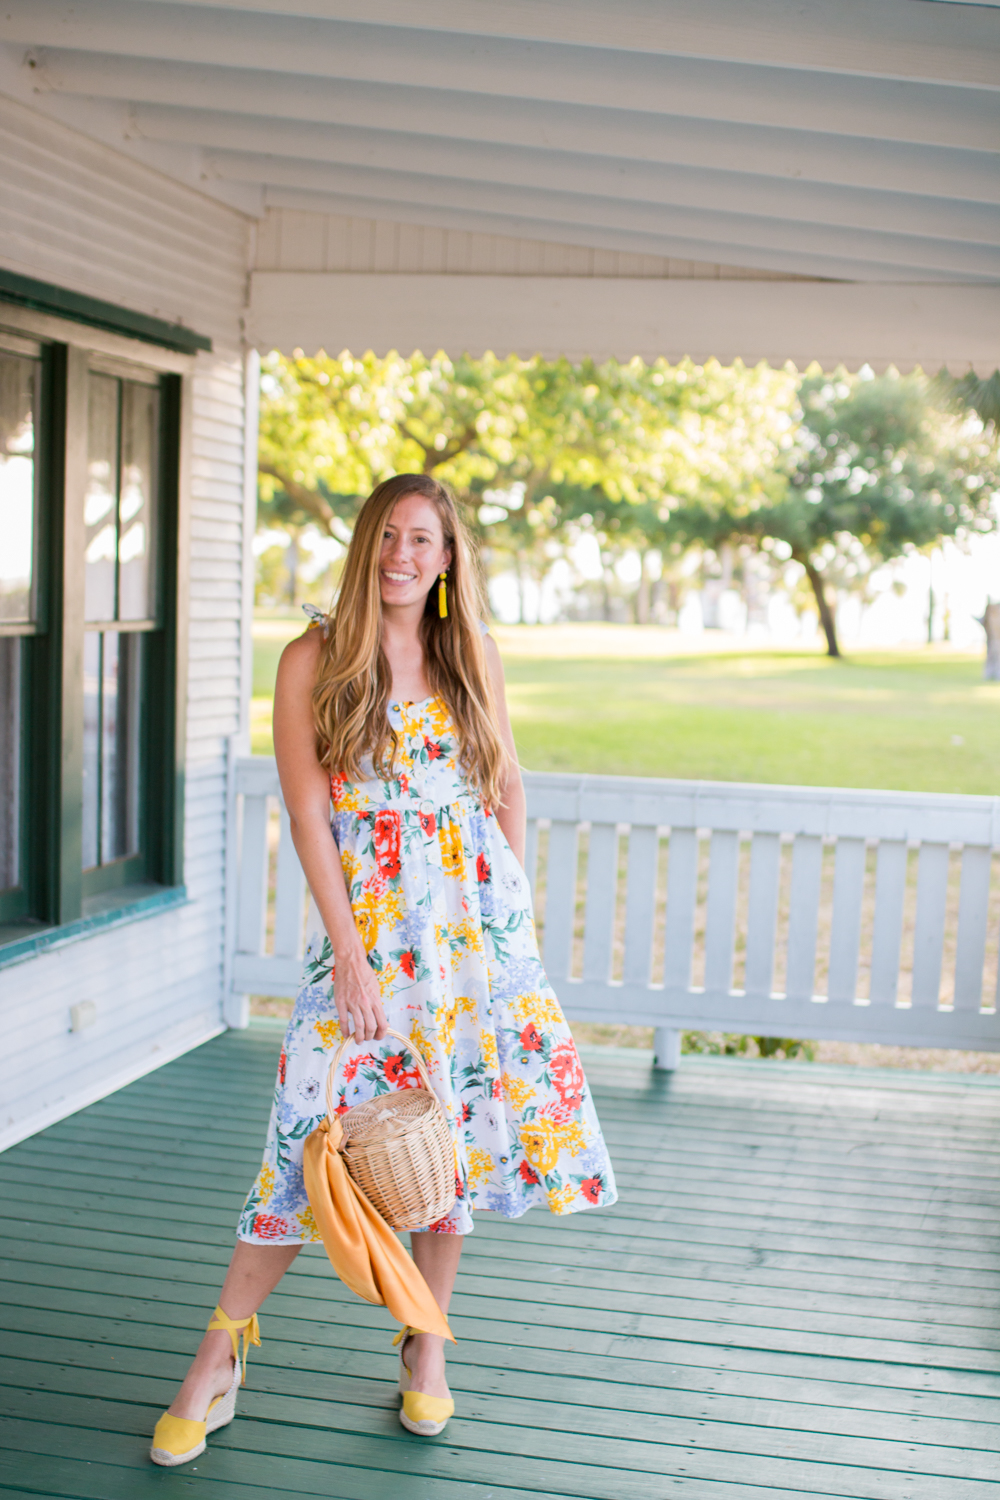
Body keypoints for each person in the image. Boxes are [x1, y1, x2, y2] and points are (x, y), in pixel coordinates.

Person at [150, 474, 617, 1466]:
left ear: (447, 561)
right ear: (366, 546)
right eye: (388, 536)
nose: (403, 553)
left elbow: (504, 783)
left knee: (447, 1142)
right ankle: (219, 1355)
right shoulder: (313, 658)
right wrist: (352, 960)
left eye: (424, 539)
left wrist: (510, 924)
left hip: (471, 935)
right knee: (301, 1139)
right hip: (362, 932)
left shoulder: (469, 655)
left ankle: (425, 1346)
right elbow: (308, 818)